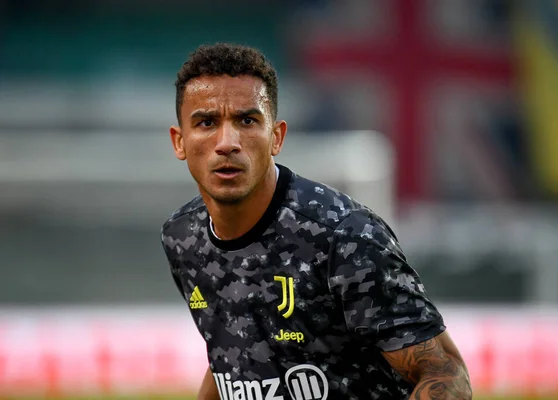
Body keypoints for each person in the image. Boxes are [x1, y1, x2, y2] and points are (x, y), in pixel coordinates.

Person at [161, 43, 472, 400]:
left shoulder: (345, 236)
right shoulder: (183, 237)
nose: (227, 142)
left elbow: (445, 372)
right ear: (179, 141)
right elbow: (230, 360)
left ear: (276, 137)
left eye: (247, 120)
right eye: (206, 122)